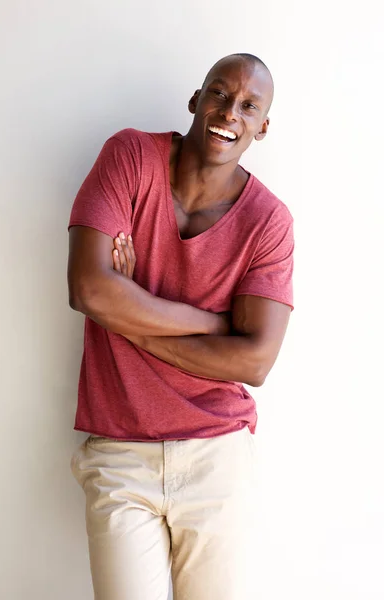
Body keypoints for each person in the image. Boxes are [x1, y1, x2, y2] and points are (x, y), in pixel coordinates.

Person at [68, 52, 294, 600]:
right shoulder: (130, 156)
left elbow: (254, 362)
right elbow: (89, 290)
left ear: (262, 127)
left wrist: (131, 319)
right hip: (120, 451)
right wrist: (211, 325)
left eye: (248, 106)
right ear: (196, 100)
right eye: (219, 93)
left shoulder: (269, 222)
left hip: (218, 456)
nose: (229, 112)